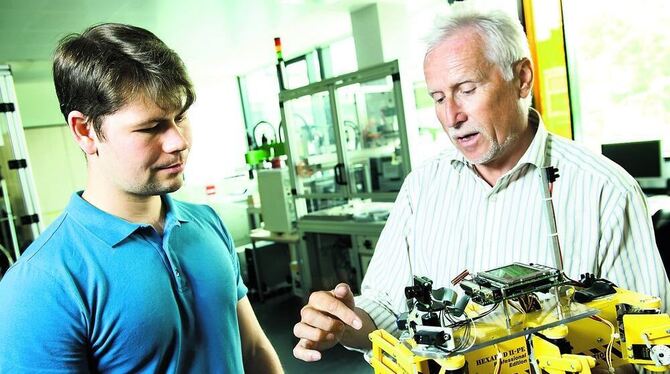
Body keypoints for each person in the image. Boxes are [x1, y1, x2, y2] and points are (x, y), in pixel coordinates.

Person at [292, 8, 670, 364]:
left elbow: (647, 338)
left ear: (522, 79)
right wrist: (345, 320)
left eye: (467, 90)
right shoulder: (422, 188)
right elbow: (387, 307)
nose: (451, 116)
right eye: (438, 98)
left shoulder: (605, 190)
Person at [0, 23, 282, 373]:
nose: (178, 141)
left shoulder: (207, 223)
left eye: (180, 117)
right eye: (151, 127)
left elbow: (253, 350)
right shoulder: (42, 283)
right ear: (85, 131)